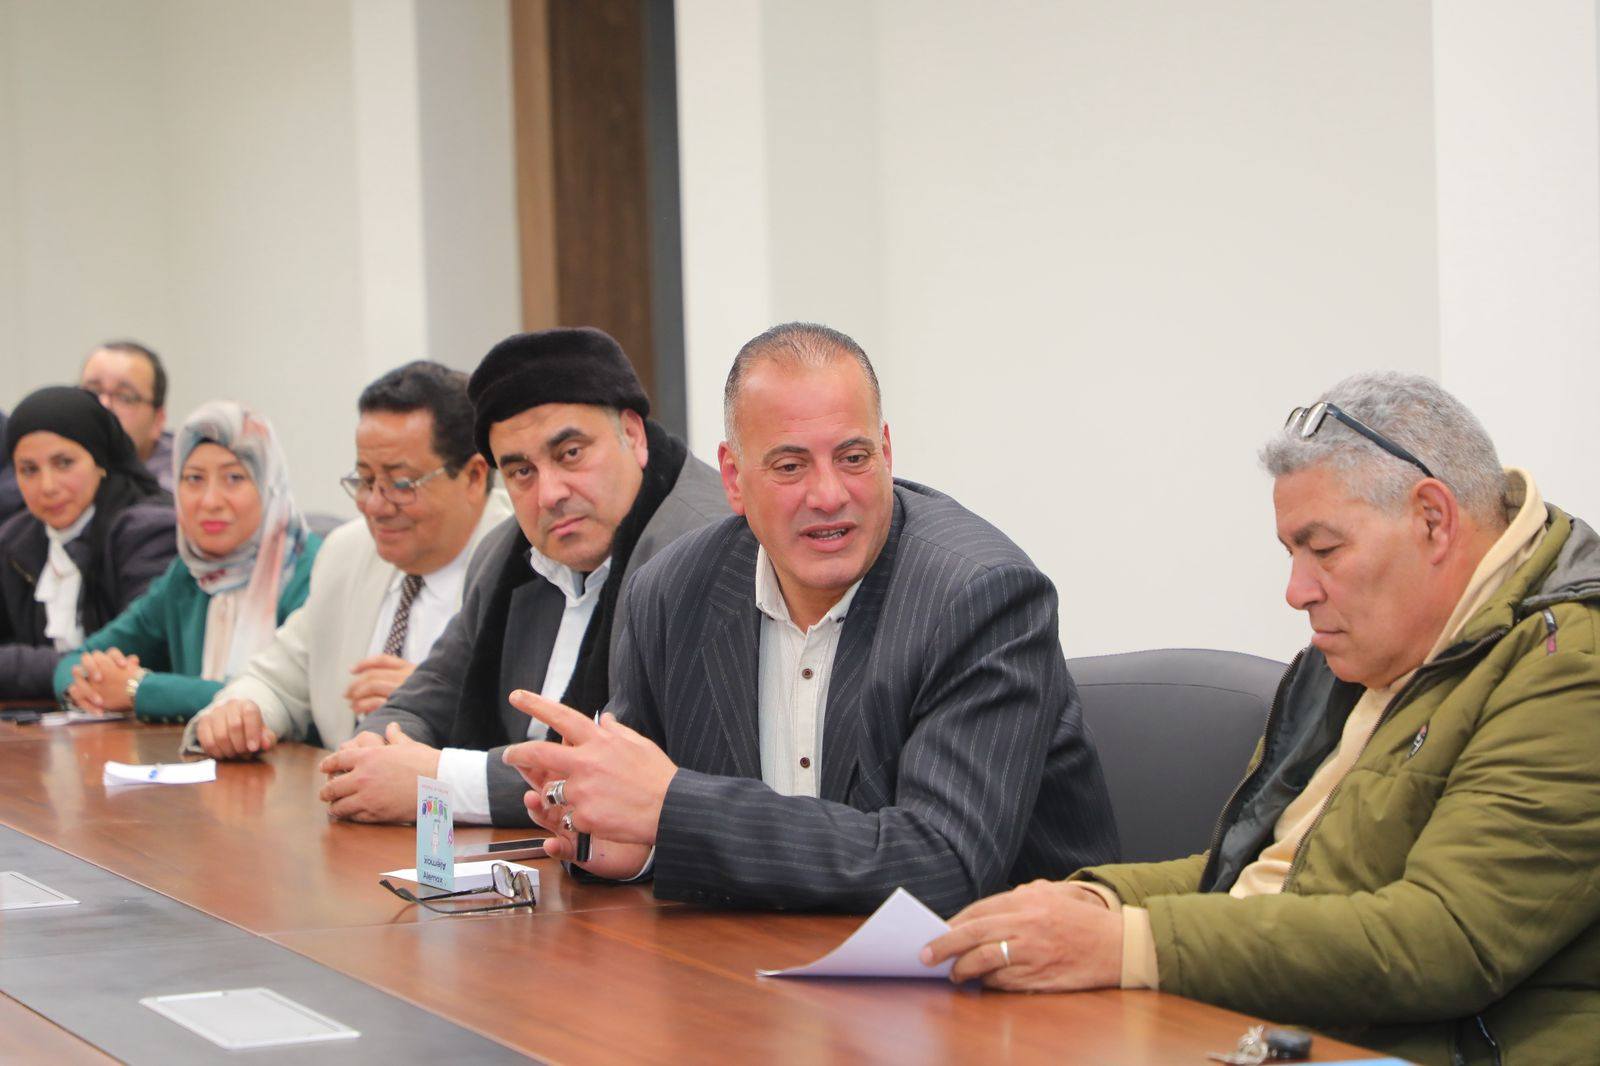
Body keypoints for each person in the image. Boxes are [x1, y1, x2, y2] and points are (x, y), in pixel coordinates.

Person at [922, 373, 1600, 1066]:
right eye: (1291, 554)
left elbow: (1444, 939)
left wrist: (1129, 943)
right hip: (1277, 1031)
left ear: (1432, 518)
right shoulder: (1362, 654)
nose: (1296, 592)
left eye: (1324, 550)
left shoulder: (1569, 665)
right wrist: (1096, 904)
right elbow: (1251, 874)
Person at [502, 322, 1120, 916]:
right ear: (734, 479)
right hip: (755, 963)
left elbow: (942, 865)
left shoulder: (979, 597)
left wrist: (675, 810)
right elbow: (642, 809)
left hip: (993, 971)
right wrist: (633, 847)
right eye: (790, 466)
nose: (828, 495)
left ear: (886, 453)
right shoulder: (670, 593)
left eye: (852, 457)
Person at [320, 328, 728, 824]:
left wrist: (437, 780)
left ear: (633, 435)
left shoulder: (703, 548)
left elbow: (624, 772)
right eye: (521, 472)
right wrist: (372, 753)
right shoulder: (506, 553)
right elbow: (429, 695)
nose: (550, 494)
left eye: (570, 453)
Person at [184, 362, 510, 757]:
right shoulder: (347, 551)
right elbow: (276, 679)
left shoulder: (522, 567)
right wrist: (239, 713)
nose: (375, 505)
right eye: (365, 480)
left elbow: (537, 735)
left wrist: (430, 704)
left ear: (474, 476)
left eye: (400, 483)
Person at [54, 401, 321, 721]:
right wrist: (84, 684)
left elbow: (283, 698)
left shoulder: (310, 571)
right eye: (194, 479)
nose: (210, 501)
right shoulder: (190, 574)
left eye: (234, 478)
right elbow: (76, 661)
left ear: (269, 486)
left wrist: (140, 689)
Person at [0, 387, 175, 699]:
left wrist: (33, 667)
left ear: (100, 460)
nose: (47, 486)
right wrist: (63, 670)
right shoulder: (15, 539)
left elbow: (132, 654)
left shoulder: (148, 529)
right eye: (29, 470)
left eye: (64, 463)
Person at [80, 340, 174, 491]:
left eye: (125, 397)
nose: (104, 405)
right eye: (92, 392)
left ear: (157, 421)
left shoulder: (178, 488)